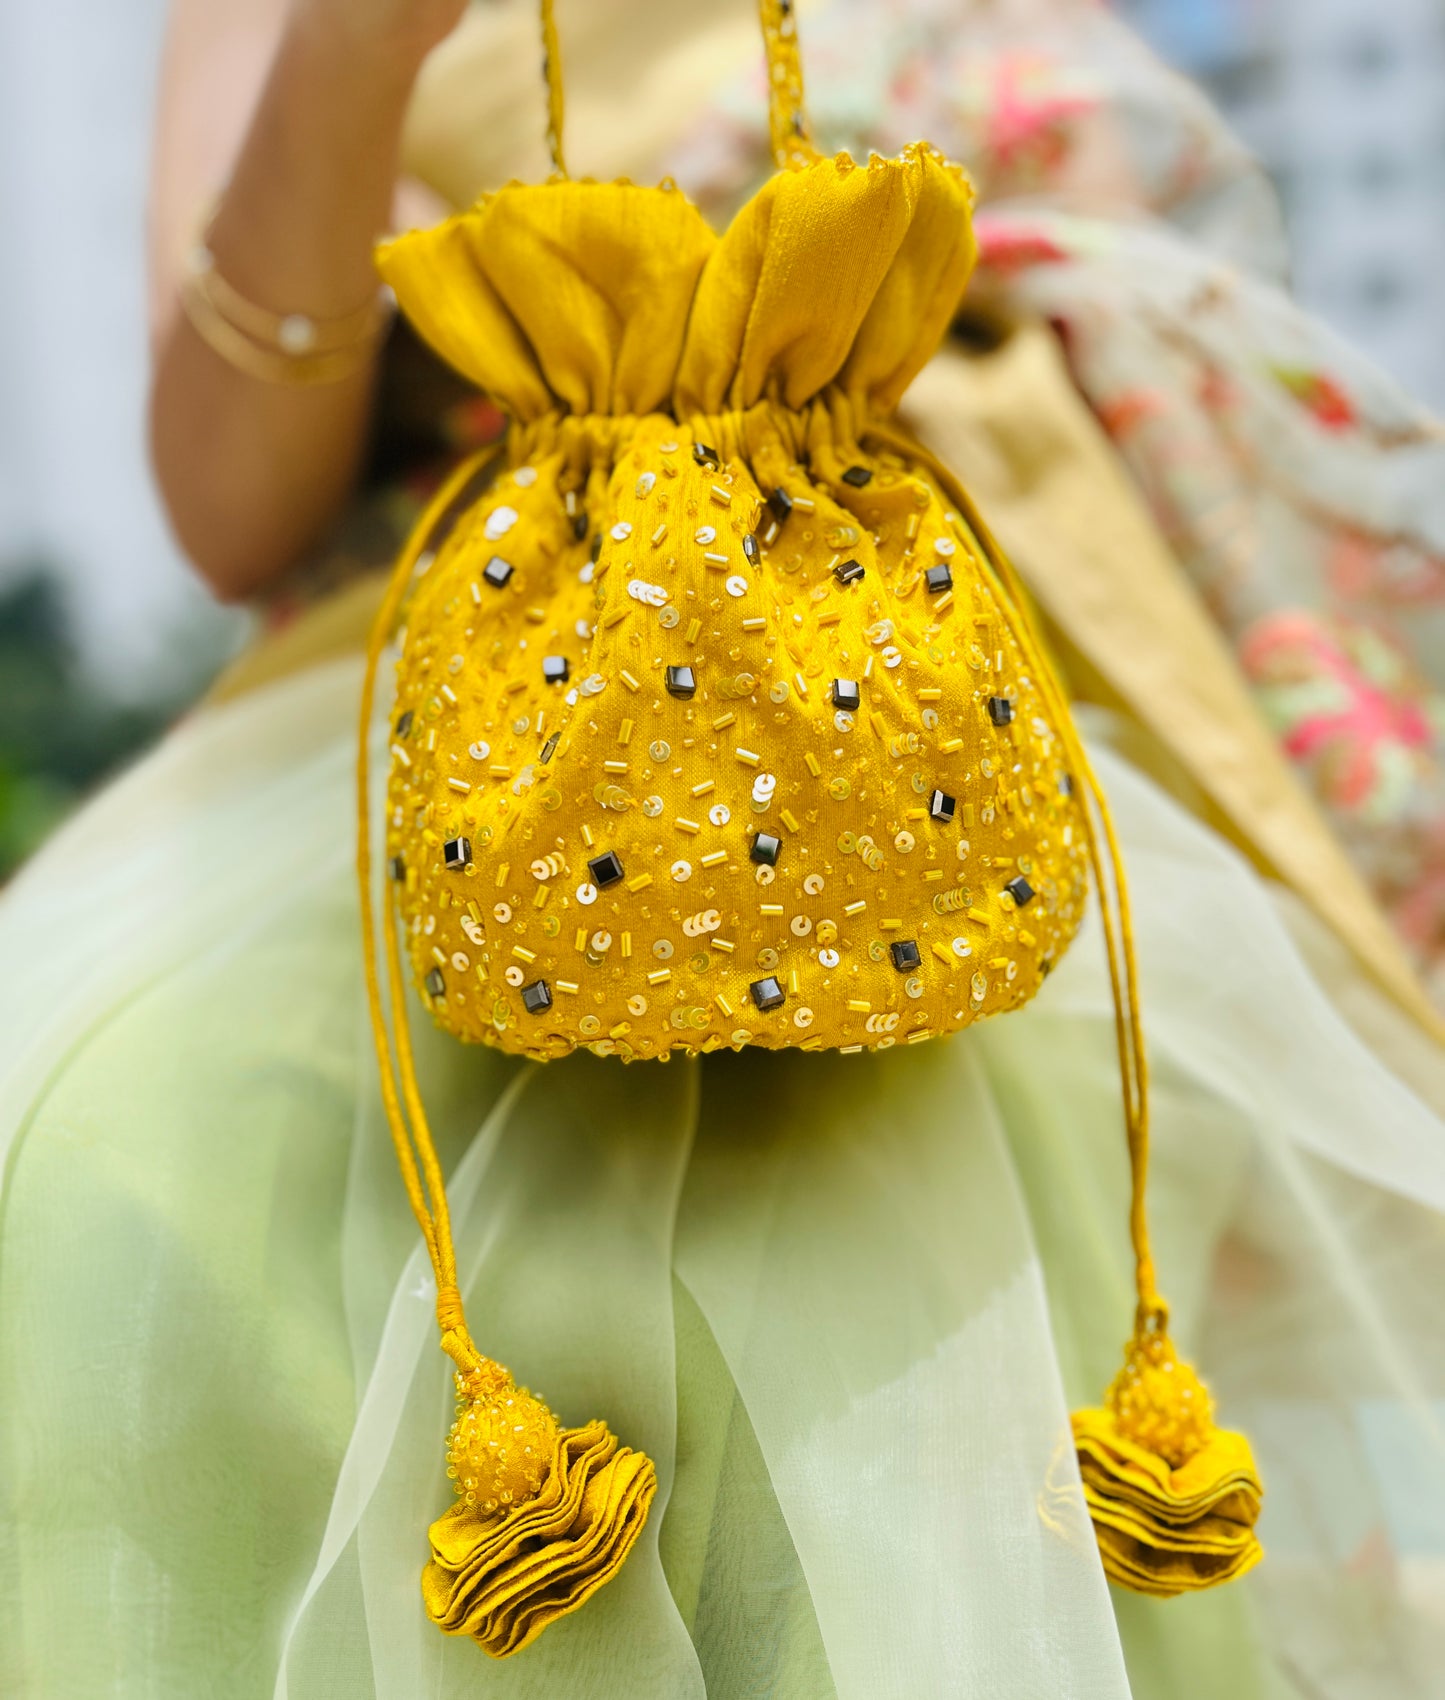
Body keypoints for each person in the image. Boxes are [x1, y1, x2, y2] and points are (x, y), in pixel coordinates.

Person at [1, 2, 1442, 1696]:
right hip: (483, 690)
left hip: (895, 692)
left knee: (1018, 1162)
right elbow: (229, 509)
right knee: (128, 1134)